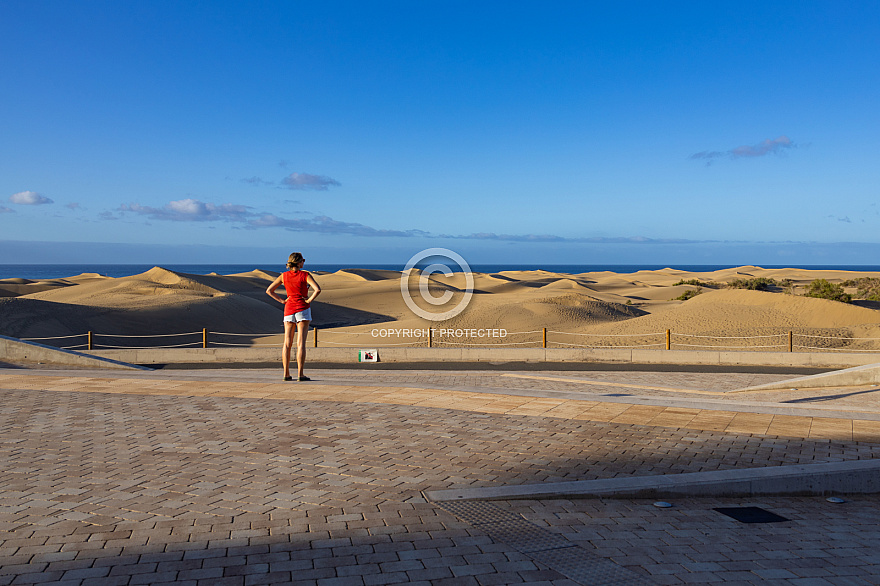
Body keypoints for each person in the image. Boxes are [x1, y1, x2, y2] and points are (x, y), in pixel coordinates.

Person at [266, 252, 321, 381]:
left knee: (287, 343)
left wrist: (282, 301)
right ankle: (300, 374)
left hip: (289, 309)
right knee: (300, 343)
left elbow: (269, 291)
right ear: (299, 262)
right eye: (303, 260)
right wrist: (309, 300)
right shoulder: (305, 275)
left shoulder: (283, 276)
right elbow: (317, 289)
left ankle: (286, 373)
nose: (304, 262)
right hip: (302, 308)